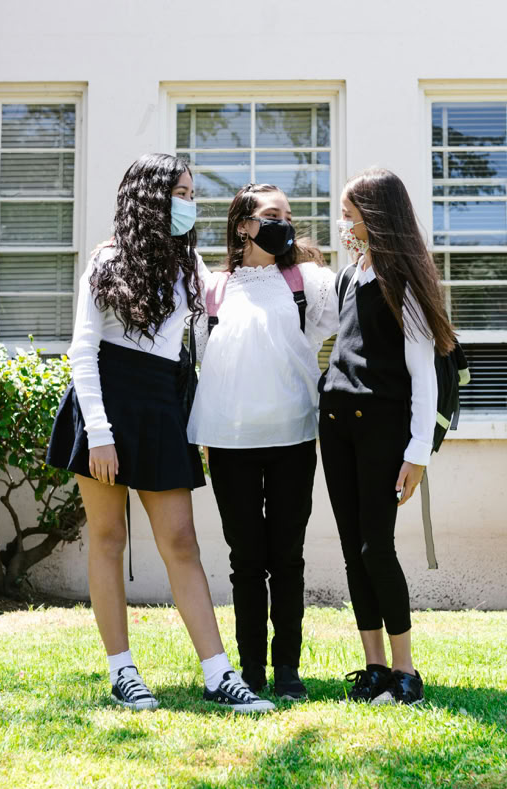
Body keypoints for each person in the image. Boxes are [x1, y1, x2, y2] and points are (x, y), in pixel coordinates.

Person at [46, 153, 274, 713]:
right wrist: (98, 433)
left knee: (181, 543)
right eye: (181, 193)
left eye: (193, 196)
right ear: (149, 196)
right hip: (107, 404)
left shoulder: (189, 266)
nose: (189, 205)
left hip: (161, 406)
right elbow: (82, 352)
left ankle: (219, 675)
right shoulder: (106, 261)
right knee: (107, 539)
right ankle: (122, 671)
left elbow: (228, 314)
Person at [187, 183, 337, 700]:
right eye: (274, 214)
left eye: (289, 215)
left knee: (287, 557)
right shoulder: (214, 288)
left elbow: (339, 324)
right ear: (244, 225)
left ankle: (288, 671)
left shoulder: (307, 281)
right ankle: (250, 669)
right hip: (229, 444)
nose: (286, 223)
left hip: (295, 437)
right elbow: (203, 356)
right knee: (245, 559)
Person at [318, 167, 457, 707]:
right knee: (355, 551)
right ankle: (373, 665)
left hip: (382, 431)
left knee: (378, 548)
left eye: (350, 218)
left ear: (375, 220)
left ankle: (405, 670)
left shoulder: (405, 285)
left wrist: (417, 454)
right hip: (334, 428)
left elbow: (424, 377)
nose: (344, 227)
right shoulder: (352, 275)